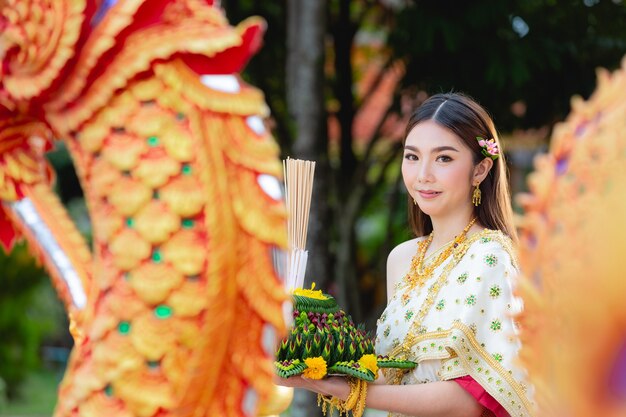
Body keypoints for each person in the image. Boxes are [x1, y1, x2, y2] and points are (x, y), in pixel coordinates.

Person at [278, 92, 533, 417]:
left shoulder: (490, 256)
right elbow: (393, 373)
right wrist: (311, 360)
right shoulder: (402, 257)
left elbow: (470, 401)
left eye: (444, 158)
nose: (423, 174)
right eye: (412, 157)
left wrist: (346, 390)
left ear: (480, 169)